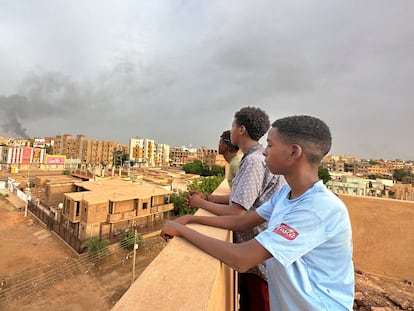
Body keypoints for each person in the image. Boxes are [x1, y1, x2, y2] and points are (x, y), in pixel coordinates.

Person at [161, 115, 355, 311]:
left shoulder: (317, 209)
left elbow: (241, 259)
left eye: (270, 146)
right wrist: (191, 218)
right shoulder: (286, 194)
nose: (264, 153)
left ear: (294, 152)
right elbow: (242, 222)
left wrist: (182, 231)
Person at [185, 107, 286, 311]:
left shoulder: (254, 162)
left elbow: (237, 213)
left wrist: (200, 206)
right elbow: (243, 197)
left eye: (232, 125)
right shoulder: (253, 157)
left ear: (241, 130)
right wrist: (209, 197)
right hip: (256, 254)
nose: (229, 129)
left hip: (259, 259)